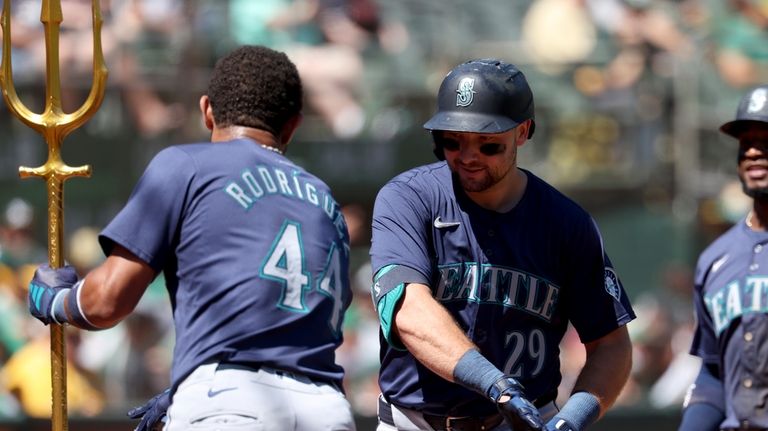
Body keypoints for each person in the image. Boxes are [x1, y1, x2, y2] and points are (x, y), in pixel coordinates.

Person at [25, 45, 356, 431]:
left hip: (231, 398)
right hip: (327, 408)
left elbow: (107, 301)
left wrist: (58, 300)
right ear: (294, 125)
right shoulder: (324, 199)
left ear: (207, 110)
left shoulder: (187, 165)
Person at [369, 59, 636, 431]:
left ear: (523, 132)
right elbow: (408, 312)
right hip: (414, 422)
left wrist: (572, 420)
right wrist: (494, 383)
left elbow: (611, 343)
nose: (467, 155)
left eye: (488, 144)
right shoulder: (409, 198)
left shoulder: (566, 223)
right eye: (452, 140)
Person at [679, 84, 768, 431]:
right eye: (746, 144)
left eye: (766, 142)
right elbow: (714, 372)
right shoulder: (715, 259)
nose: (754, 153)